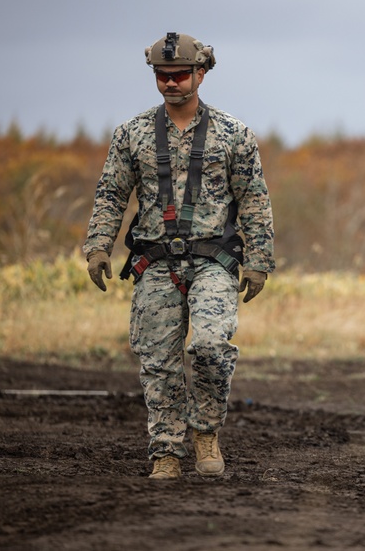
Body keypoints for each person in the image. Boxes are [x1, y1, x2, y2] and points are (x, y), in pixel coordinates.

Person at [83, 32, 275, 479]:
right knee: (158, 358)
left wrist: (259, 260)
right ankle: (166, 451)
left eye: (179, 75)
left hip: (214, 261)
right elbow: (111, 193)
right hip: (155, 261)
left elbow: (253, 200)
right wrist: (97, 246)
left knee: (210, 347)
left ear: (201, 74)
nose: (170, 83)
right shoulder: (132, 135)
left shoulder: (234, 135)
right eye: (162, 76)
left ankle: (205, 433)